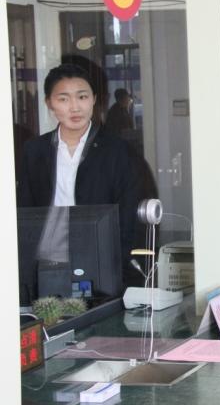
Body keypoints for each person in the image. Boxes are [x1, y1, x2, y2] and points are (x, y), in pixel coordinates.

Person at [17, 63, 140, 288]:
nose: (75, 107)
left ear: (94, 99)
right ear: (49, 103)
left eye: (82, 97)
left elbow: (127, 215)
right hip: (46, 263)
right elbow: (24, 210)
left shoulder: (116, 150)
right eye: (63, 99)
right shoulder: (34, 150)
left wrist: (118, 265)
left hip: (100, 263)